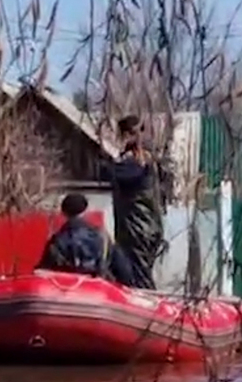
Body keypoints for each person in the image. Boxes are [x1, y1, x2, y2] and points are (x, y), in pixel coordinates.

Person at [107, 115, 167, 290]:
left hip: (137, 228)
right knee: (137, 273)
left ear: (126, 135)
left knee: (138, 277)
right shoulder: (149, 160)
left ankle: (149, 309)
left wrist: (109, 157)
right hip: (147, 226)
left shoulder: (133, 162)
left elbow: (112, 173)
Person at [35, 192, 137, 287]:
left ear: (63, 212)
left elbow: (42, 273)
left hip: (66, 293)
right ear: (85, 210)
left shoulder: (56, 241)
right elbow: (125, 273)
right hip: (98, 292)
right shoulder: (102, 238)